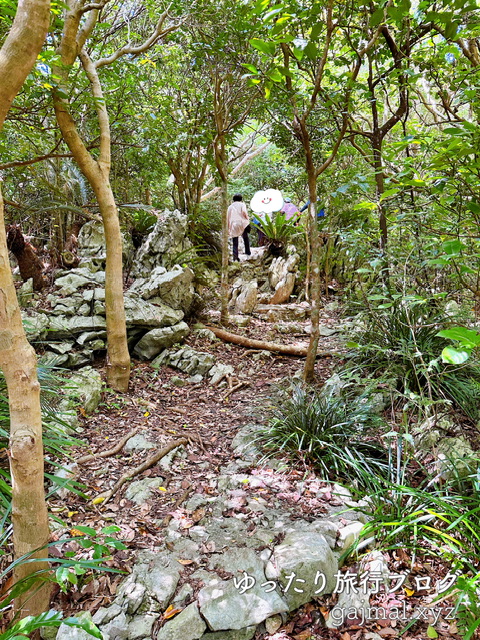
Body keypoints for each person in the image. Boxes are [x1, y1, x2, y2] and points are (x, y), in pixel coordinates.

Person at [227, 194, 251, 261]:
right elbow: (244, 212)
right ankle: (248, 253)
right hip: (242, 223)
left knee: (235, 241)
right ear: (241, 199)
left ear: (233, 199)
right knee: (245, 238)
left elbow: (228, 217)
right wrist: (247, 218)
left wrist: (228, 228)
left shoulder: (230, 207)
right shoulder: (242, 204)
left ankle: (235, 257)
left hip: (233, 224)